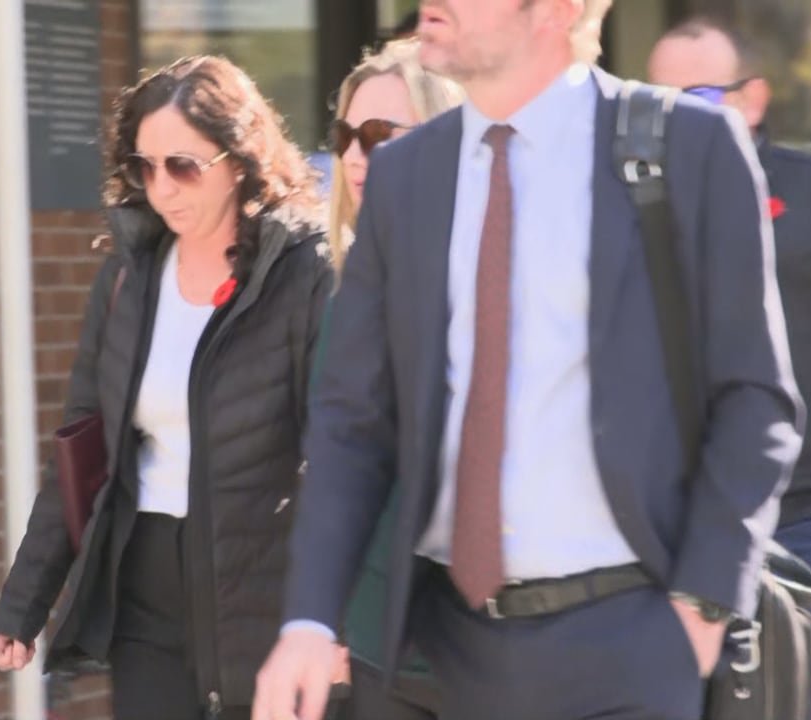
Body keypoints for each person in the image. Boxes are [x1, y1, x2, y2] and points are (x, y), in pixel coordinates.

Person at [254, 2, 804, 720]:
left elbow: (754, 399)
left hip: (632, 640)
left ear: (556, 10)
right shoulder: (407, 177)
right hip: (446, 653)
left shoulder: (690, 148)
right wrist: (309, 620)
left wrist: (698, 610)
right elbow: (351, 423)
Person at [0, 55, 334, 720]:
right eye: (146, 167)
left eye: (183, 166)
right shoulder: (129, 277)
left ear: (238, 159)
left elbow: (336, 456)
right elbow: (83, 442)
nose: (163, 188)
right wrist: (25, 603)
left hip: (261, 586)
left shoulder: (304, 274)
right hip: (145, 581)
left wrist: (328, 616)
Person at [649, 18, 811, 720]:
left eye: (699, 95)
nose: (674, 115)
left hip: (803, 513)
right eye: (655, 98)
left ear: (754, 98)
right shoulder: (621, 207)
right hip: (662, 522)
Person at [322, 37, 463, 720]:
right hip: (378, 645)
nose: (353, 155)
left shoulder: (500, 280)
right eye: (346, 134)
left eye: (378, 135)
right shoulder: (341, 292)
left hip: (491, 649)